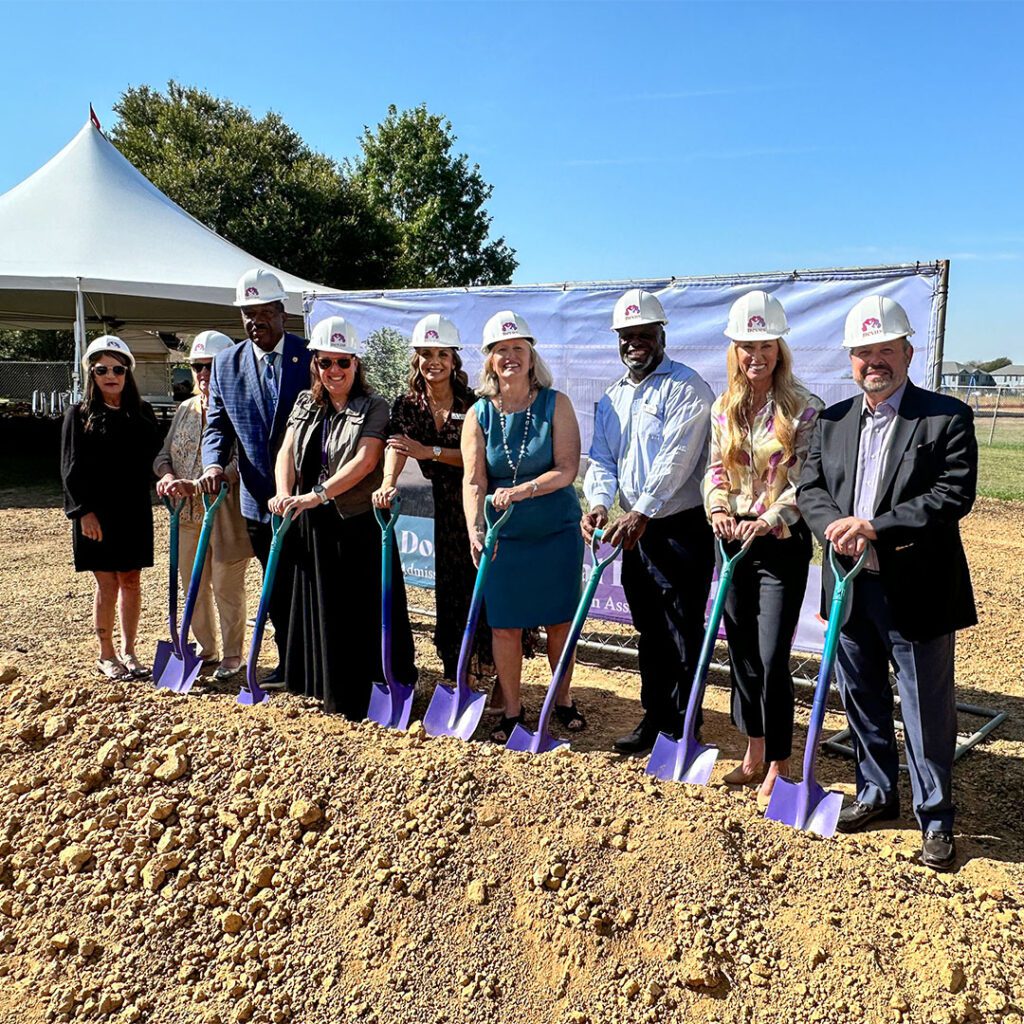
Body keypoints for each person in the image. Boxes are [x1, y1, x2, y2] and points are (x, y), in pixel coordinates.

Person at [797, 295, 977, 871]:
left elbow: (953, 495)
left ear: (907, 351)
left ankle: (936, 818)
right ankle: (876, 794)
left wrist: (874, 527)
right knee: (863, 699)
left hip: (916, 588)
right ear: (850, 359)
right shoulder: (831, 421)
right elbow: (811, 491)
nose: (874, 362)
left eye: (884, 351)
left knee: (925, 707)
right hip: (851, 586)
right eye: (863, 353)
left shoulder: (945, 416)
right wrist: (836, 529)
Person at [703, 291, 824, 805]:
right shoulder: (724, 406)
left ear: (780, 350)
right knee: (744, 653)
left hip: (779, 542)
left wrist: (770, 517)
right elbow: (714, 467)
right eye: (747, 346)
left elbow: (808, 481)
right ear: (734, 351)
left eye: (767, 345)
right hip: (731, 541)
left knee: (774, 655)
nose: (757, 356)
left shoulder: (804, 408)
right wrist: (717, 508)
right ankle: (753, 751)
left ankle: (779, 760)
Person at [582, 288, 715, 755]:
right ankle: (655, 718)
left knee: (682, 629)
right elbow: (601, 460)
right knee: (649, 630)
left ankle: (684, 727)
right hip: (634, 532)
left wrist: (642, 510)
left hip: (679, 527)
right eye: (626, 336)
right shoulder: (612, 398)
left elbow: (677, 460)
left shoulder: (688, 387)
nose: (634, 343)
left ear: (661, 335)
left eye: (643, 334)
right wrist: (599, 503)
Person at [269, 316, 417, 718]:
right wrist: (285, 494)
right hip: (311, 519)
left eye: (343, 362)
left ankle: (372, 686)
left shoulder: (374, 406)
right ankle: (324, 685)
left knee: (360, 607)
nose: (334, 371)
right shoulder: (304, 403)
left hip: (355, 521)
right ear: (314, 364)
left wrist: (317, 494)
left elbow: (366, 459)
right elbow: (286, 452)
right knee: (323, 604)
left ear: (356, 364)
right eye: (325, 362)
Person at [462, 311, 584, 743]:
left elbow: (567, 469)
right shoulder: (479, 414)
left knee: (559, 623)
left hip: (555, 533)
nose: (510, 356)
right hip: (504, 539)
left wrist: (521, 491)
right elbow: (474, 478)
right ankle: (513, 711)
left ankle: (562, 699)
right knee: (505, 626)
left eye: (518, 348)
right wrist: (475, 529)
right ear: (490, 361)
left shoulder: (557, 404)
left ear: (532, 356)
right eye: (501, 350)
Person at [199, 268, 308, 686]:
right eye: (247, 314)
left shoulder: (310, 356)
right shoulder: (227, 363)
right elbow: (217, 426)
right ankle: (289, 661)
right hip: (257, 500)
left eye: (263, 312)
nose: (255, 321)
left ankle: (315, 659)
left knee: (310, 583)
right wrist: (213, 463)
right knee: (276, 584)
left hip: (307, 497)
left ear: (282, 313)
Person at [372, 314, 493, 681]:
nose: (434, 362)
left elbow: (478, 458)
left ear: (454, 359)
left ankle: (492, 669)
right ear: (417, 359)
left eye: (442, 353)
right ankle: (458, 672)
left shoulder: (473, 402)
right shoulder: (409, 403)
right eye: (426, 353)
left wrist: (430, 452)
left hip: (473, 502)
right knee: (450, 591)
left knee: (481, 586)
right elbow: (397, 444)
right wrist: (388, 482)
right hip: (442, 509)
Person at [60, 336, 162, 680]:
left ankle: (130, 651)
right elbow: (69, 467)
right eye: (101, 369)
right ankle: (107, 654)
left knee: (131, 580)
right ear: (92, 373)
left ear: (127, 373)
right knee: (106, 584)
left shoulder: (143, 413)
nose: (110, 375)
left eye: (118, 368)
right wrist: (82, 512)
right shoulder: (79, 414)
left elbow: (156, 459)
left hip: (133, 510)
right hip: (96, 515)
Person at [154, 331, 253, 680]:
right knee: (193, 585)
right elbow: (164, 455)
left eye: (211, 367)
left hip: (225, 515)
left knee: (227, 586)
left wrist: (198, 483)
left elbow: (241, 463)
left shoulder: (242, 408)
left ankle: (233, 654)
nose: (203, 374)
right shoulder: (185, 409)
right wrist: (166, 476)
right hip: (186, 514)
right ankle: (206, 649)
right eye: (198, 366)